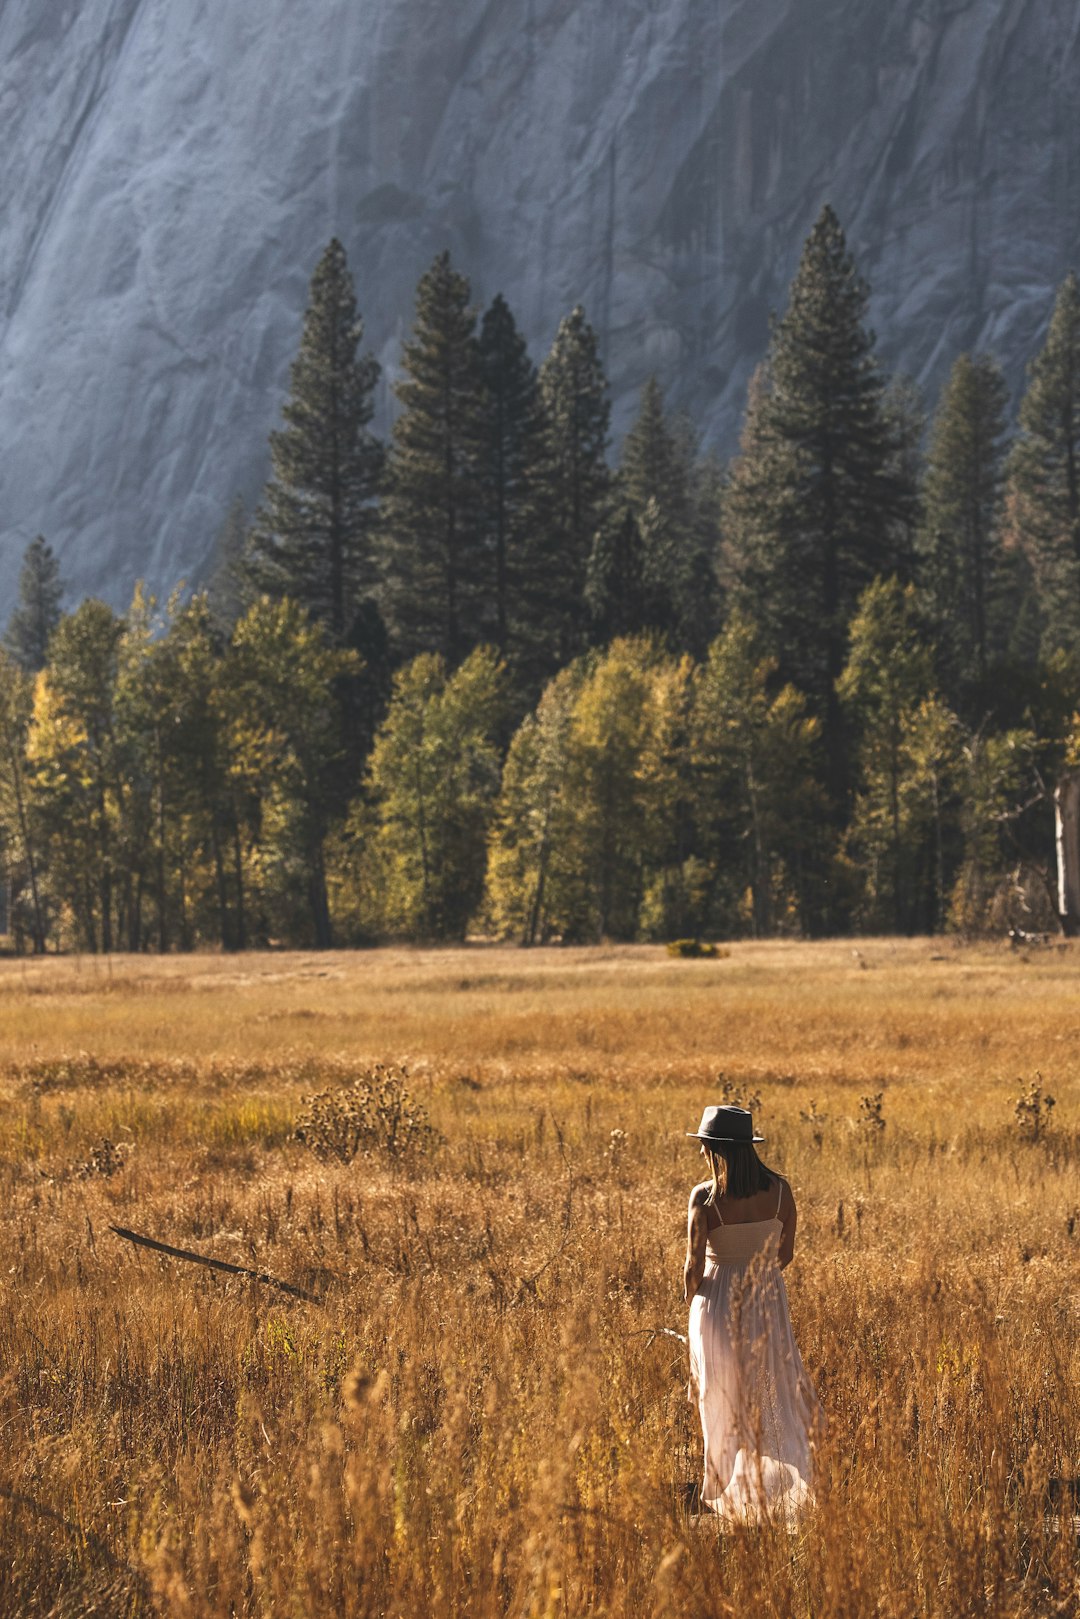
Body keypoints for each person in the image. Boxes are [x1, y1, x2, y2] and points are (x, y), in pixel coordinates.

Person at [683, 1104, 819, 1522]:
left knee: (720, 1395)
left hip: (716, 1305)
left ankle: (725, 1491)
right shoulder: (781, 1191)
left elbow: (691, 1268)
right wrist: (758, 1277)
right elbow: (787, 1253)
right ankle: (783, 1490)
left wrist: (693, 1306)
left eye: (705, 1147)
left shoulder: (705, 1197)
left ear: (714, 1149)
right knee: (773, 1392)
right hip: (766, 1300)